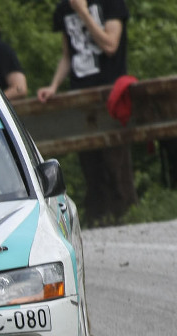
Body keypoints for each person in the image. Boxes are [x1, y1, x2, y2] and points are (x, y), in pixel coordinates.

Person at [37, 0, 136, 226]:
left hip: (110, 92)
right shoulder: (64, 9)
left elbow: (110, 45)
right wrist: (53, 86)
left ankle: (127, 215)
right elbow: (68, 55)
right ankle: (97, 219)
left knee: (115, 159)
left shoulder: (111, 3)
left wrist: (82, 11)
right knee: (90, 163)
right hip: (80, 95)